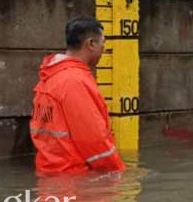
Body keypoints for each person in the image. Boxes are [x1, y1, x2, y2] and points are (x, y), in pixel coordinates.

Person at [30, 17, 125, 173]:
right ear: (91, 44)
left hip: (52, 176)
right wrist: (119, 174)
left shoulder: (50, 77)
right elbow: (94, 142)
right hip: (77, 180)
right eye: (103, 43)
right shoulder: (74, 81)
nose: (104, 49)